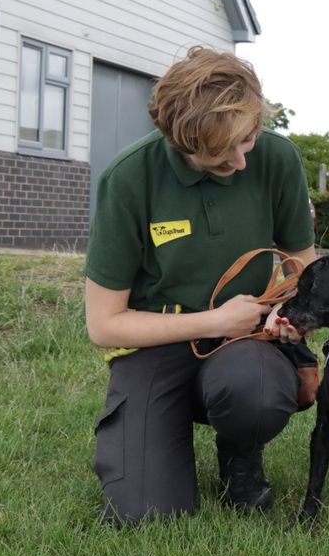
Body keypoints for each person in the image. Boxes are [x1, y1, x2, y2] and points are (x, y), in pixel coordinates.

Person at [84, 46, 317, 525]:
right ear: (179, 140)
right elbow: (104, 325)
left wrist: (292, 328)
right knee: (145, 513)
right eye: (220, 152)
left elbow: (302, 271)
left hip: (243, 345)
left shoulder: (277, 159)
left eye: (247, 138)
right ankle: (154, 438)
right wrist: (214, 320)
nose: (241, 161)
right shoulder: (128, 179)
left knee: (253, 388)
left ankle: (240, 457)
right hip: (156, 348)